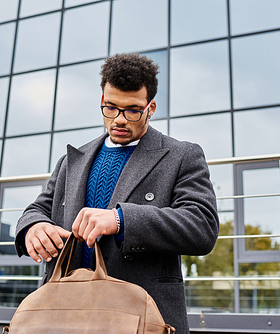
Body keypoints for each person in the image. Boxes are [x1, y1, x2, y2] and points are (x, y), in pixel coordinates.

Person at [15, 53, 220, 333]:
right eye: (111, 108)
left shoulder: (182, 155)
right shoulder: (71, 160)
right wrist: (32, 227)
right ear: (101, 101)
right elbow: (38, 208)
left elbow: (202, 227)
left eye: (133, 110)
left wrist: (122, 220)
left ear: (151, 107)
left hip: (140, 318)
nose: (120, 120)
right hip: (64, 314)